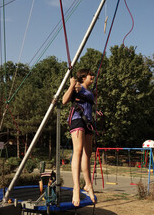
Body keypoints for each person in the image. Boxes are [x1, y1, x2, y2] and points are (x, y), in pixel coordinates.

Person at [62, 68, 96, 207]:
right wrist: (71, 85)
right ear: (83, 77)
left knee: (87, 154)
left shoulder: (90, 92)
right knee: (78, 151)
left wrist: (94, 96)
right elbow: (64, 100)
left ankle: (88, 185)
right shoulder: (78, 87)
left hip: (88, 121)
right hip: (77, 119)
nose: (92, 76)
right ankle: (76, 187)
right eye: (90, 75)